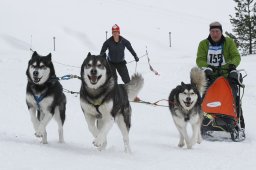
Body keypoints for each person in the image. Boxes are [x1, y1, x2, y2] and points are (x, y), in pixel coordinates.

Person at [196, 21, 245, 129]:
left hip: (226, 75)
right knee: (206, 95)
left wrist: (232, 65)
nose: (215, 34)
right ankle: (205, 119)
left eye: (217, 31)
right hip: (210, 75)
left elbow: (236, 56)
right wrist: (206, 67)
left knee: (234, 94)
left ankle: (237, 120)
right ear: (210, 32)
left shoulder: (229, 42)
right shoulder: (203, 44)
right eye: (212, 31)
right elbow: (200, 59)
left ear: (221, 32)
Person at [100, 24, 140, 101]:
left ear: (119, 32)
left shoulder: (124, 41)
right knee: (113, 79)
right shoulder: (108, 42)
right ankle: (113, 96)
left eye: (116, 32)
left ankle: (133, 96)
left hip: (121, 63)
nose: (115, 33)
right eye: (113, 32)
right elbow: (102, 51)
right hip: (111, 63)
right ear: (112, 33)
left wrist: (135, 56)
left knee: (127, 79)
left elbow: (130, 49)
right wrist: (102, 56)